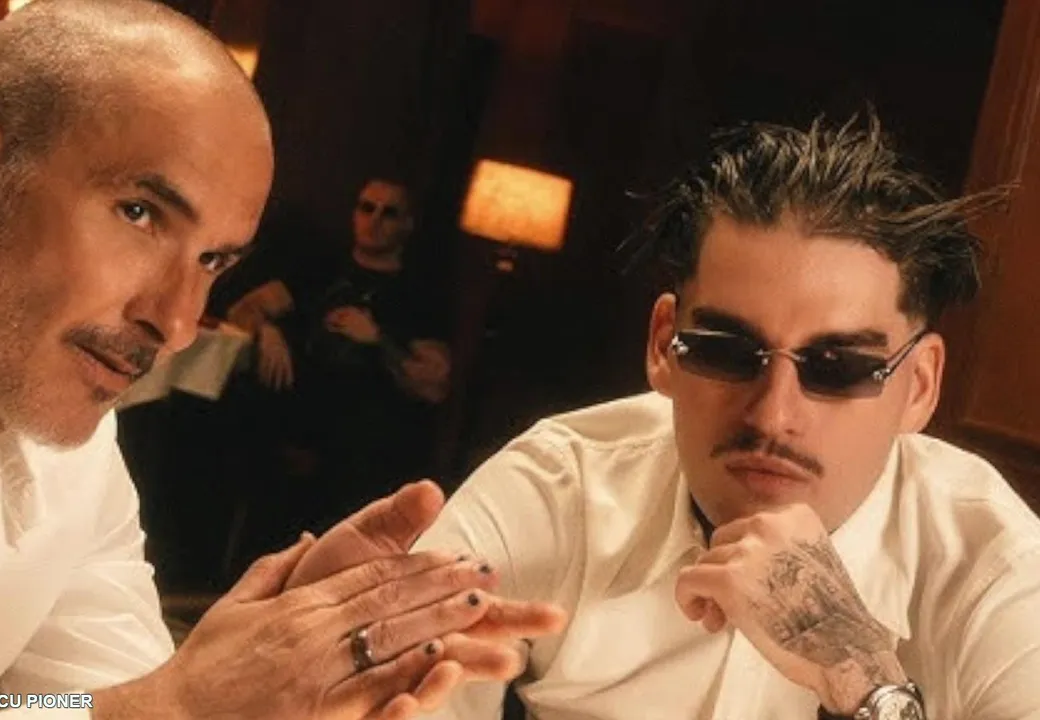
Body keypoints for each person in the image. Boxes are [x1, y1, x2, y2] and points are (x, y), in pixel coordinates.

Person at [0, 1, 566, 718]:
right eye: (140, 213)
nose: (176, 323)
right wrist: (166, 707)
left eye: (214, 261)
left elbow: (103, 701)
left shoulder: (72, 465)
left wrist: (254, 681)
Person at [408, 115, 1040, 719]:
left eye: (838, 366)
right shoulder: (559, 492)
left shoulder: (998, 568)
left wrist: (865, 680)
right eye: (727, 351)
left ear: (919, 387)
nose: (773, 414)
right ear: (664, 345)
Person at [226, 179, 451, 533]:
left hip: (363, 452)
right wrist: (267, 332)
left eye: (389, 213)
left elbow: (433, 385)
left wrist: (377, 338)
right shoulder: (321, 271)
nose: (374, 220)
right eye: (367, 208)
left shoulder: (416, 295)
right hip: (292, 432)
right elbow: (243, 311)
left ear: (407, 224)